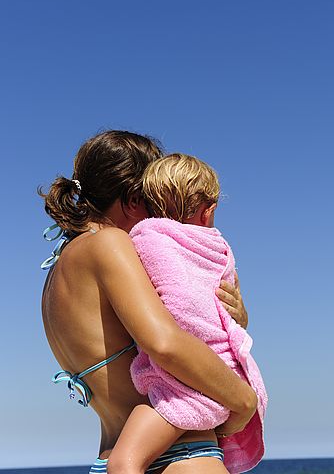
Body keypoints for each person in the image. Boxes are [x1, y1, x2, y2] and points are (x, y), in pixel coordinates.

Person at [40, 130, 257, 474]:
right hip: (180, 456)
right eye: (156, 202)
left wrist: (235, 315)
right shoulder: (109, 244)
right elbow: (166, 343)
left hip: (114, 455)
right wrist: (244, 401)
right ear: (132, 199)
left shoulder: (58, 272)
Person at [107, 154, 267, 474]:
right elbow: (227, 308)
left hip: (182, 388)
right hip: (224, 379)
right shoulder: (220, 247)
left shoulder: (145, 238)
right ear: (208, 211)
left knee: (123, 463)